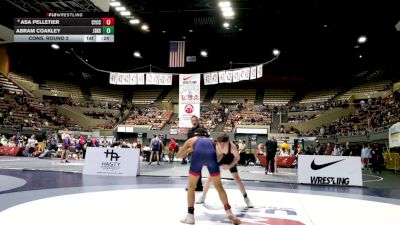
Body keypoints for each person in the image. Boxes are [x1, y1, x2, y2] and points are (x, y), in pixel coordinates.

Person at [176, 128, 240, 225]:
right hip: (212, 159)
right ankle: (228, 212)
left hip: (197, 157)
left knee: (191, 187)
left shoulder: (192, 140)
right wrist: (214, 164)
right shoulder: (212, 141)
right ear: (206, 135)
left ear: (196, 135)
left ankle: (190, 216)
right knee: (219, 187)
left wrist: (189, 150)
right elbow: (220, 155)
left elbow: (179, 156)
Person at [197, 133, 254, 208]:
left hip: (230, 160)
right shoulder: (217, 145)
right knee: (210, 177)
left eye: (224, 143)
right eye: (220, 143)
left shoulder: (232, 147)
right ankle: (203, 196)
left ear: (228, 141)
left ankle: (246, 199)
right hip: (220, 159)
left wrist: (229, 166)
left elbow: (237, 158)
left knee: (237, 179)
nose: (222, 145)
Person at [185, 115, 204, 192]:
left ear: (197, 120)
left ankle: (198, 186)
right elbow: (188, 142)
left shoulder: (201, 129)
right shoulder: (190, 131)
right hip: (192, 152)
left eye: (195, 120)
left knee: (197, 169)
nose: (194, 122)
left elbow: (205, 139)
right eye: (192, 120)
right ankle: (196, 185)